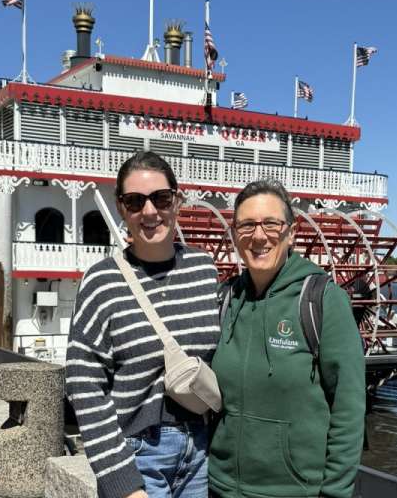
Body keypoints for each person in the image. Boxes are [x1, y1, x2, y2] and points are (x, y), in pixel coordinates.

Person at [66, 150, 221, 498]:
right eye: (135, 202)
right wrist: (121, 481)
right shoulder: (101, 281)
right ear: (121, 208)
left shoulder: (204, 269)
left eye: (161, 199)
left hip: (201, 453)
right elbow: (84, 384)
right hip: (137, 455)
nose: (150, 212)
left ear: (176, 201)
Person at [208, 180, 365, 498]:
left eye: (271, 223)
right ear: (236, 234)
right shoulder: (226, 298)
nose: (259, 235)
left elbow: (348, 408)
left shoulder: (322, 300)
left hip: (293, 490)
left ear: (291, 233)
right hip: (220, 488)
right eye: (247, 225)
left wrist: (334, 492)